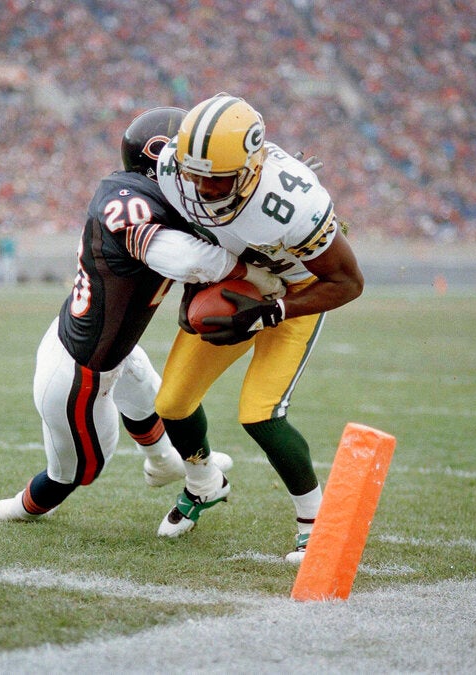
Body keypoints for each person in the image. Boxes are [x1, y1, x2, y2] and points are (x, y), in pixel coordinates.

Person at [0, 107, 284, 522]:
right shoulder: (129, 202)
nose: (200, 176)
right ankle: (16, 509)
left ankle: (163, 462)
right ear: (160, 159)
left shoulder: (159, 198)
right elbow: (181, 257)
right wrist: (253, 273)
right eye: (191, 164)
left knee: (144, 388)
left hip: (105, 346)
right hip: (78, 372)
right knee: (78, 472)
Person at [153, 93, 364, 562]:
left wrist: (273, 312)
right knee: (171, 402)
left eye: (218, 180)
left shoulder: (293, 201)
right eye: (196, 176)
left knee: (260, 414)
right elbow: (187, 235)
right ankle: (204, 484)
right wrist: (194, 286)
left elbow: (348, 282)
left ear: (250, 168)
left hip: (296, 294)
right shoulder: (174, 170)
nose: (203, 189)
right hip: (236, 285)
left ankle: (315, 521)